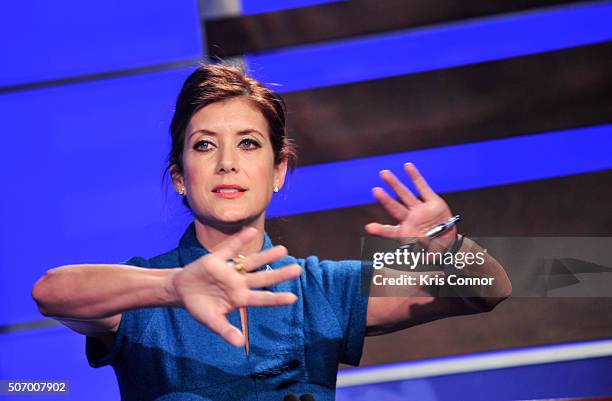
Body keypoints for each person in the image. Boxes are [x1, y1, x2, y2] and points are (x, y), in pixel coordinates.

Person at [32, 64, 512, 401]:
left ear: (279, 169)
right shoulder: (144, 291)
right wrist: (174, 287)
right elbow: (51, 291)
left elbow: (491, 291)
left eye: (248, 143)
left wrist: (448, 248)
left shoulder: (323, 289)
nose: (226, 162)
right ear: (179, 176)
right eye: (203, 146)